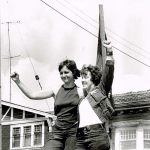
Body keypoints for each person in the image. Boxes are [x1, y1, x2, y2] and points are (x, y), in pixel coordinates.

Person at [11, 59, 82, 150]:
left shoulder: (80, 92)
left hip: (73, 132)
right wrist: (17, 81)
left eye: (66, 72)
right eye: (61, 73)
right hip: (57, 132)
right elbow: (32, 95)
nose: (63, 75)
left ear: (73, 72)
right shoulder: (56, 90)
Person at [75, 41, 114, 150]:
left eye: (85, 77)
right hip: (80, 137)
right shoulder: (81, 100)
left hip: (96, 136)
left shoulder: (100, 90)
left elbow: (108, 73)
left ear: (93, 77)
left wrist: (109, 51)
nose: (82, 80)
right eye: (81, 77)